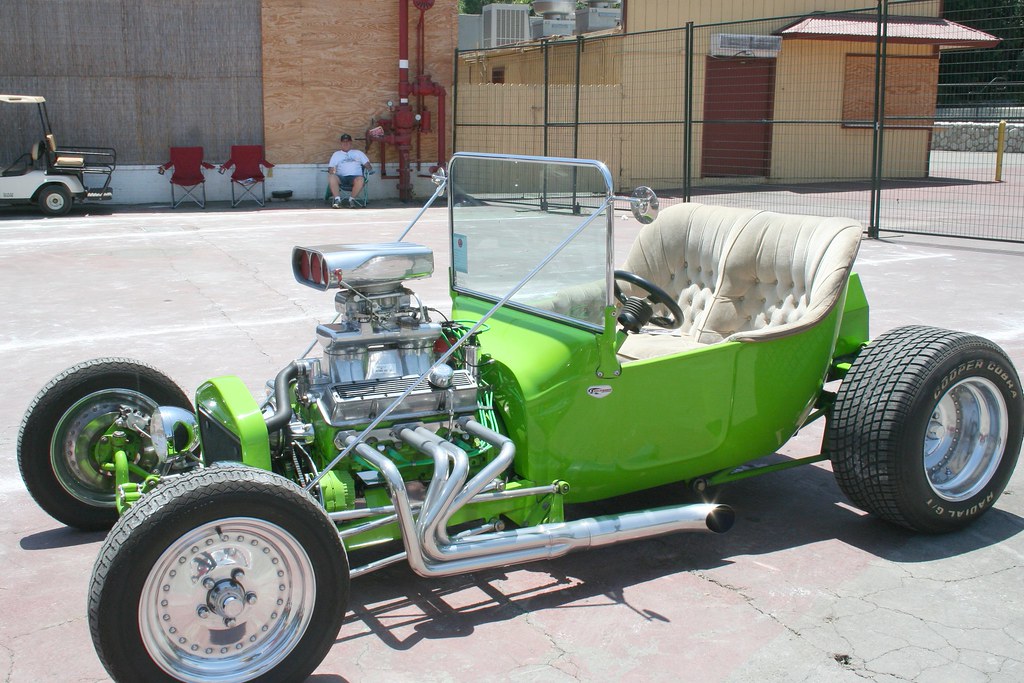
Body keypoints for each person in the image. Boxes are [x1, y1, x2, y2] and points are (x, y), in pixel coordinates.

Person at [328, 133, 371, 208]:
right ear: (341, 143)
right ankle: (337, 200)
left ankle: (352, 200)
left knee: (361, 179)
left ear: (351, 143)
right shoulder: (336, 154)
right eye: (344, 142)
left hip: (355, 178)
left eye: (348, 141)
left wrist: (367, 166)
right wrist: (332, 170)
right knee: (332, 177)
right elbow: (330, 169)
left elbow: (369, 167)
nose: (346, 143)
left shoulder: (358, 153)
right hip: (341, 178)